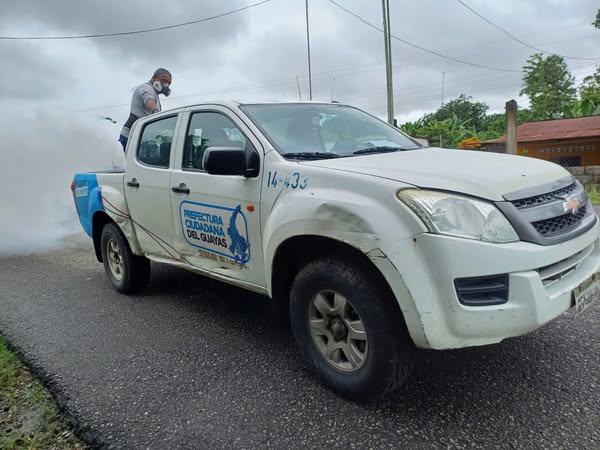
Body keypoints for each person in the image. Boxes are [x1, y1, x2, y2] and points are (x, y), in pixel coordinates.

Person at [118, 68, 173, 151]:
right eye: (164, 81)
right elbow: (149, 101)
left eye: (169, 83)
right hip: (131, 136)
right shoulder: (146, 88)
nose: (166, 85)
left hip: (141, 135)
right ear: (154, 77)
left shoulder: (154, 93)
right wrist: (156, 112)